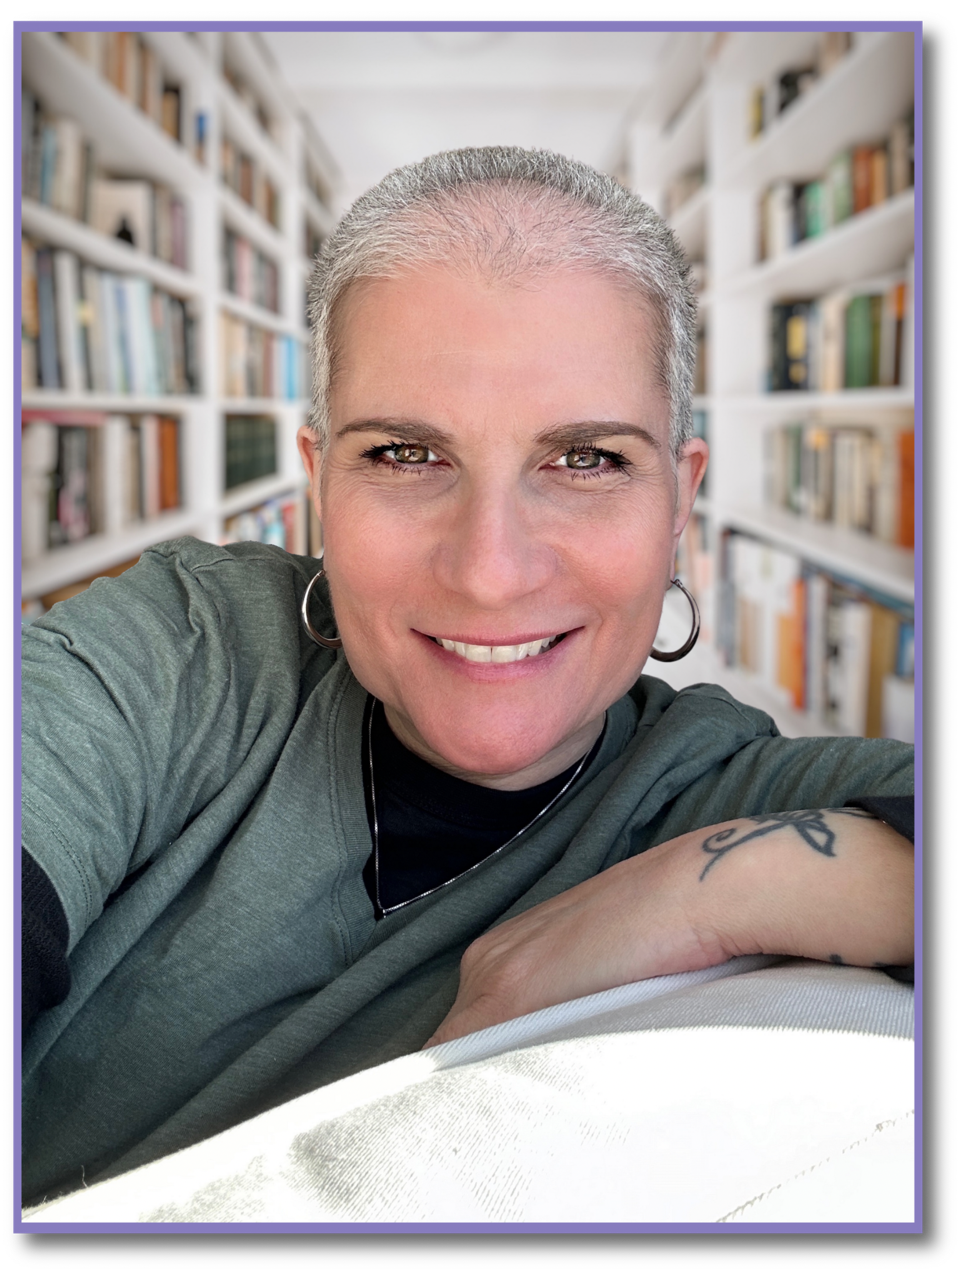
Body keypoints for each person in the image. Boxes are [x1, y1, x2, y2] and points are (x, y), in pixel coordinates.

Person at [21, 146, 913, 1207]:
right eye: (404, 454)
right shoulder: (182, 648)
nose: (491, 571)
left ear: (680, 498)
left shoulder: (736, 794)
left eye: (587, 458)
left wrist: (707, 890)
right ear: (319, 482)